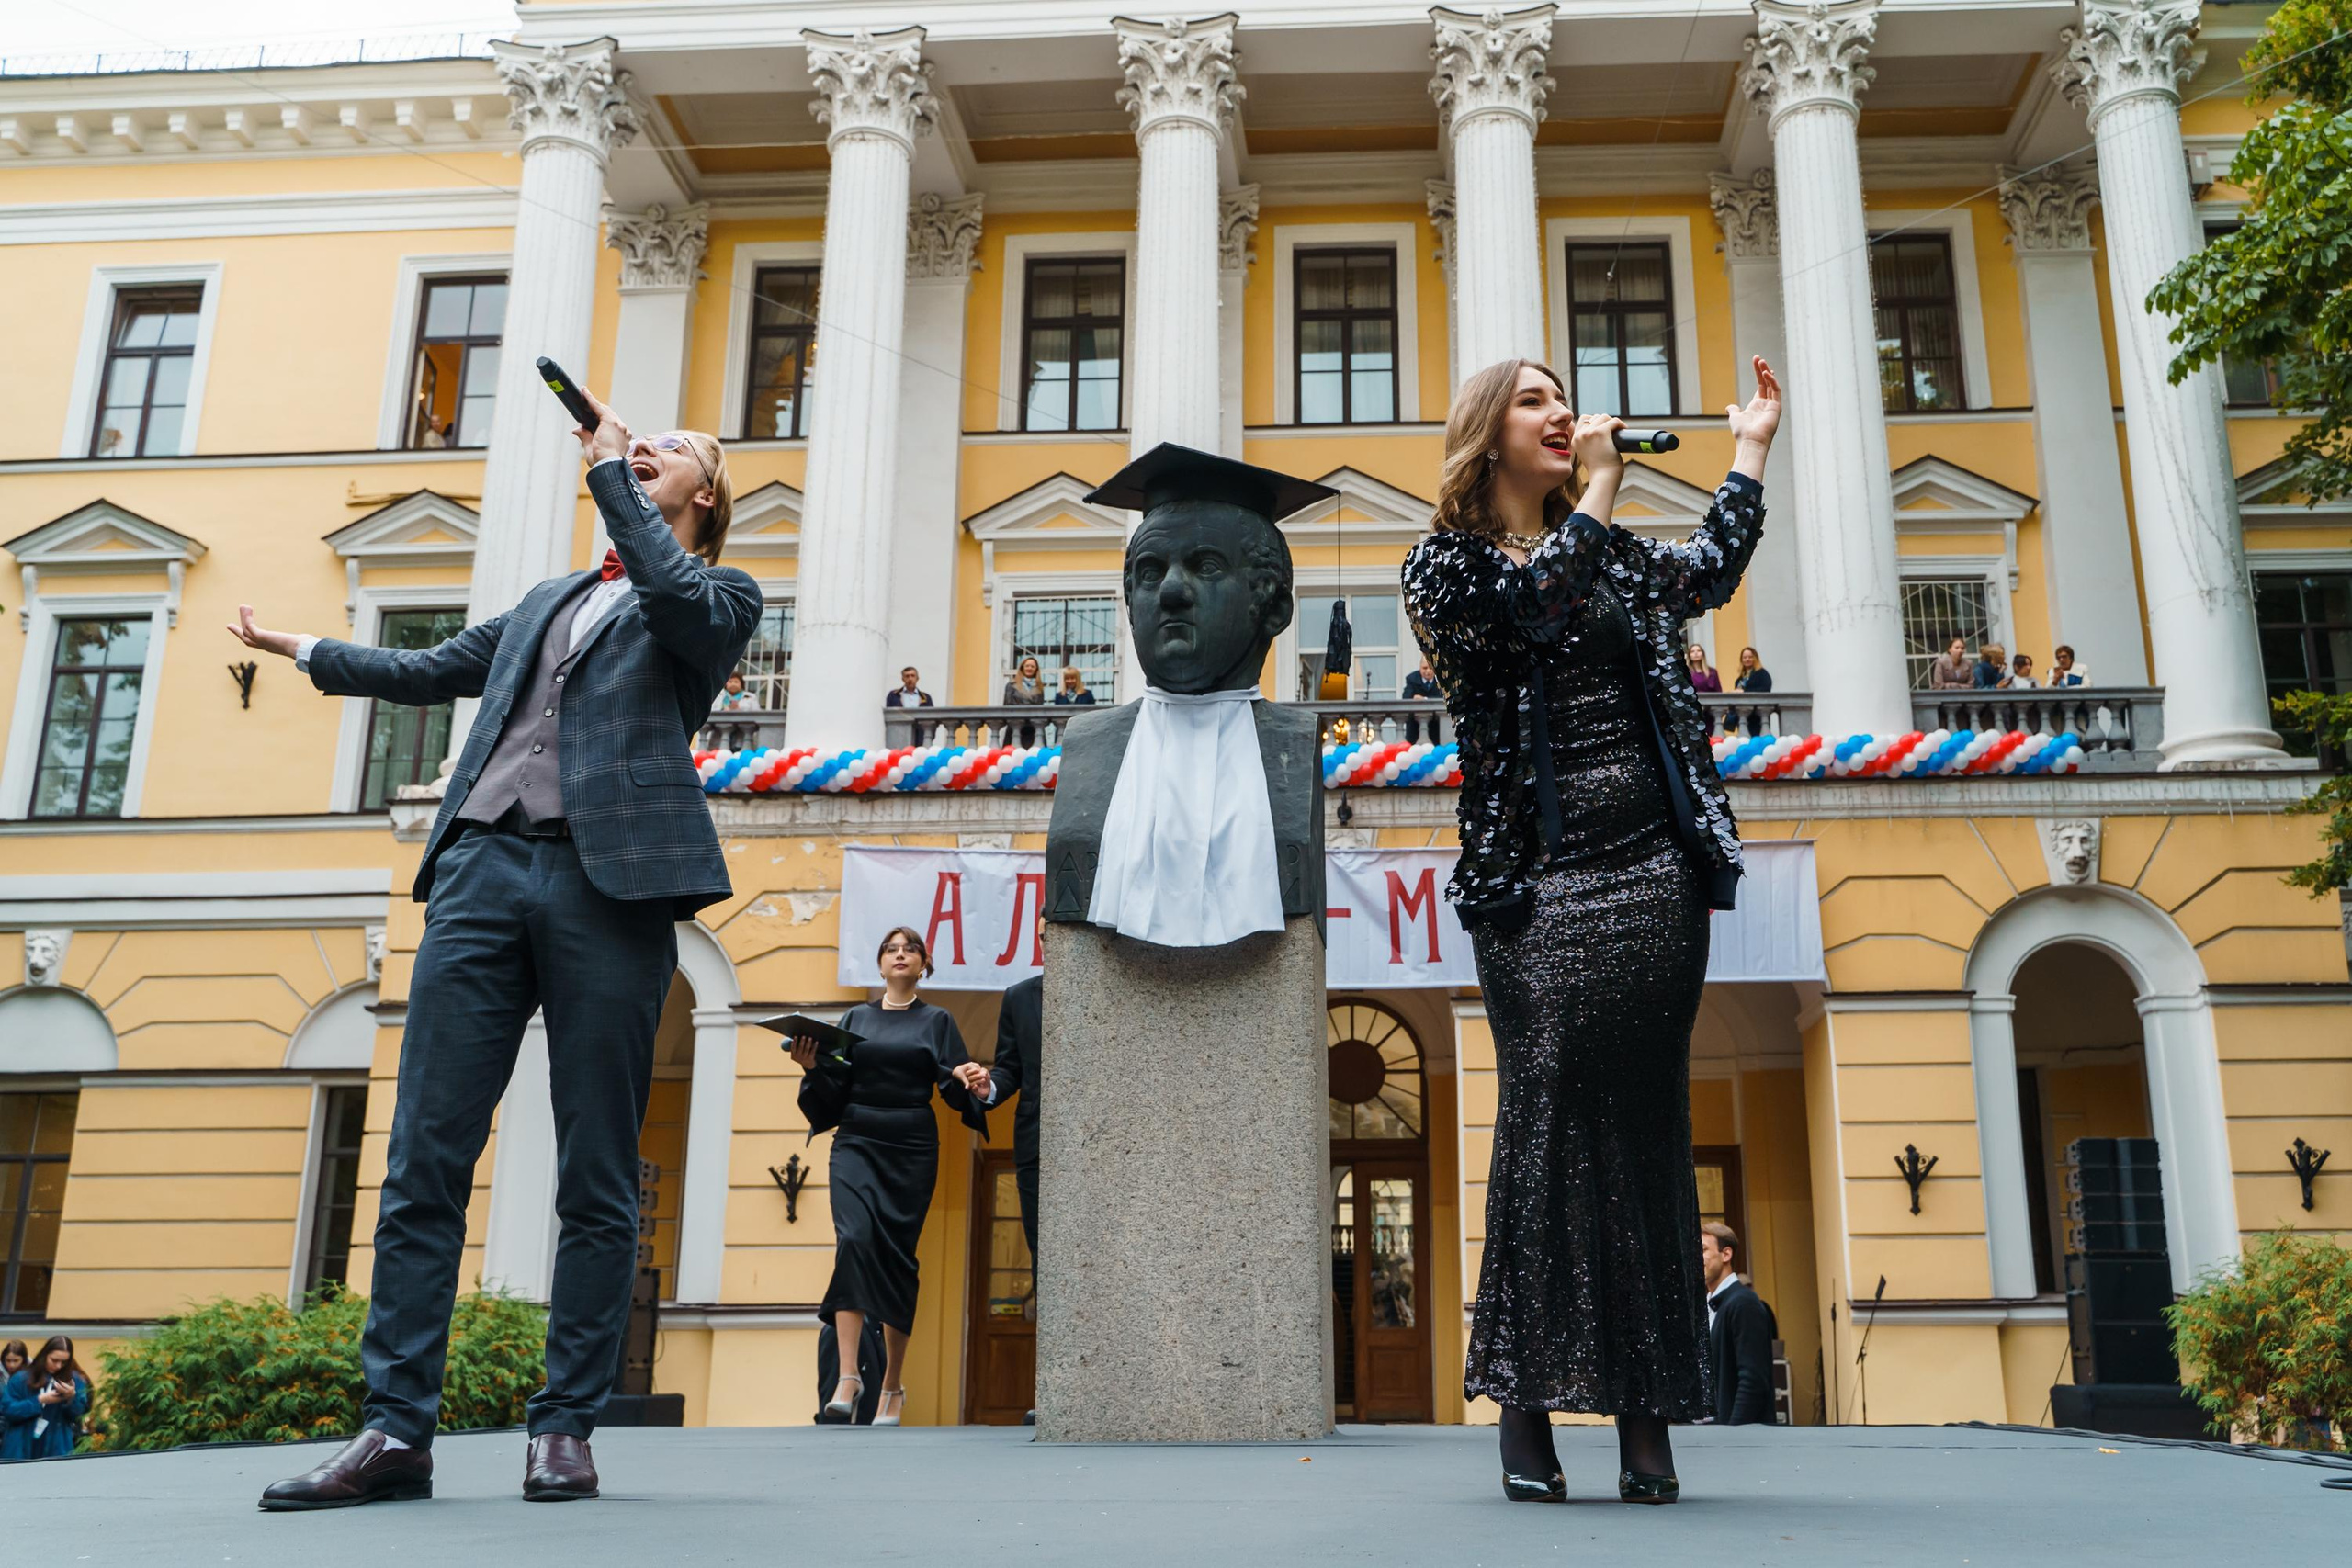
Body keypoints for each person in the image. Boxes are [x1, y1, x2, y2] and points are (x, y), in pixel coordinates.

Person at [231, 390, 759, 1508]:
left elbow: (666, 590)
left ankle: (563, 1426)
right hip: (478, 868)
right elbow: (432, 671)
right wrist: (313, 649)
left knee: (599, 1171)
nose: (644, 450)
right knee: (423, 1157)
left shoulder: (718, 595)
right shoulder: (546, 601)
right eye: (638, 444)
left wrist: (616, 474)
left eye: (669, 452)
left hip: (608, 885)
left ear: (701, 498)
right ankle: (394, 1432)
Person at [1401, 354, 1780, 1505]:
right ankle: (1523, 1408)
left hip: (1652, 870)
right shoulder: (1444, 564)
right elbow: (1535, 613)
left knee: (1648, 1129)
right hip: (1538, 882)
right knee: (1550, 1117)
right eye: (1535, 400)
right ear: (1487, 431)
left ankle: (1645, 1423)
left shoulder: (1607, 544)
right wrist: (1603, 487)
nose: (1561, 413)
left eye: (1564, 398)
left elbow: (1707, 572)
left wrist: (1751, 445)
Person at [790, 927, 990, 1427]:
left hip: (912, 1146)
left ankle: (893, 1386)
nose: (900, 955)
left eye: (910, 950)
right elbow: (833, 1086)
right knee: (853, 1242)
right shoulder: (856, 1017)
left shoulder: (938, 1020)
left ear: (924, 964)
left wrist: (973, 1080)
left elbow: (953, 1083)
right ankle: (848, 1377)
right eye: (891, 950)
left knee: (899, 1261)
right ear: (880, 964)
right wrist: (812, 1067)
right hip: (856, 1141)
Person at [981, 912, 1046, 1422]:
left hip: (1110, 1148)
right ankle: (1051, 1390)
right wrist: (990, 1087)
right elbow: (1009, 1067)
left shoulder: (1115, 989)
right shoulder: (1021, 996)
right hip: (1037, 1144)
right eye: (1045, 933)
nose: (1052, 939)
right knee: (1045, 1262)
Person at [1701, 1224, 1779, 1427]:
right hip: (1714, 1435)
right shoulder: (1711, 1304)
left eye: (1702, 1249)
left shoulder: (1744, 1304)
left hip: (1739, 1442)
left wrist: (1732, 1435)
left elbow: (1753, 1381)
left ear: (1726, 1254)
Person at [1, 1336, 91, 1460]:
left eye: (64, 1362)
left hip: (56, 1447)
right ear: (44, 1356)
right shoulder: (20, 1379)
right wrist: (39, 1401)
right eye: (54, 1360)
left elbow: (79, 1415)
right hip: (21, 1447)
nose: (59, 1366)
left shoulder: (74, 1380)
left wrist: (71, 1397)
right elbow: (8, 1410)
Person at [1003, 654, 1046, 748]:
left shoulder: (1040, 688)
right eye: (1027, 666)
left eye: (1032, 666)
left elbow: (1040, 707)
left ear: (1036, 669)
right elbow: (1007, 706)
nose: (1029, 668)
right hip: (1015, 728)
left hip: (1033, 729)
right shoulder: (1011, 686)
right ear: (1022, 667)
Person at [887, 665, 934, 745]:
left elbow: (932, 720)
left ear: (917, 678)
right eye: (907, 676)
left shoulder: (926, 698)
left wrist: (929, 737)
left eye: (912, 676)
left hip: (920, 737)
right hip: (899, 736)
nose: (910, 679)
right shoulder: (893, 696)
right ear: (903, 679)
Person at [1732, 646, 1772, 737]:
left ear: (1755, 658)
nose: (1747, 659)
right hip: (1743, 715)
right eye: (1744, 657)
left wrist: (1744, 692)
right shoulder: (1740, 679)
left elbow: (1765, 689)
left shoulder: (1762, 673)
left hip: (1757, 715)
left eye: (1750, 657)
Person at [1403, 655, 1443, 744]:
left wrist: (1424, 699)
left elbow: (1444, 698)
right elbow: (1406, 698)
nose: (1428, 671)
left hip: (1436, 724)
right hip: (1415, 725)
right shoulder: (1412, 679)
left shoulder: (1441, 679)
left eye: (1430, 668)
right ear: (1420, 667)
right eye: (1424, 668)